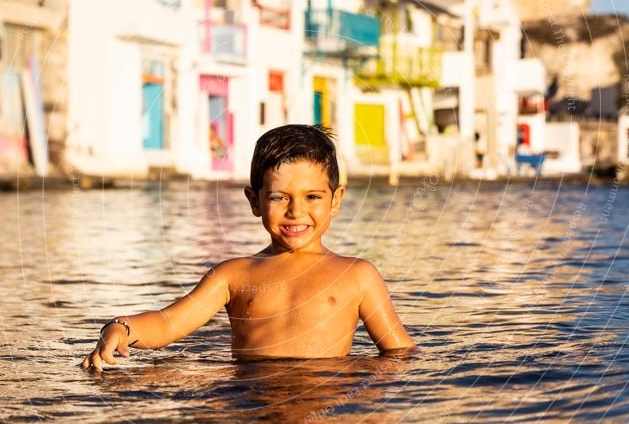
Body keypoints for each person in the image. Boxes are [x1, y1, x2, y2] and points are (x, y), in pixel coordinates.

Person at [81, 125, 416, 369]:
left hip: (325, 397)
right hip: (247, 397)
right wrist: (122, 327)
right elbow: (170, 323)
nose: (296, 211)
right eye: (278, 197)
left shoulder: (357, 276)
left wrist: (360, 390)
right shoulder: (233, 275)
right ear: (255, 201)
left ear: (336, 200)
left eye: (312, 197)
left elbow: (398, 353)